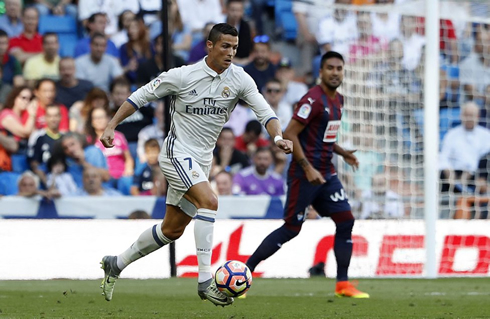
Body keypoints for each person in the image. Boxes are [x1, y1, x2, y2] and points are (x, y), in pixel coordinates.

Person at [98, 23, 292, 306]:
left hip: (201, 161)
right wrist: (111, 126)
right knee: (210, 201)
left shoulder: (240, 79)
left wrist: (277, 138)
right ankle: (205, 282)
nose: (230, 53)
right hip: (176, 153)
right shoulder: (182, 76)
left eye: (235, 48)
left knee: (171, 230)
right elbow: (140, 96)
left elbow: (265, 112)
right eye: (225, 46)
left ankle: (116, 263)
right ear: (210, 46)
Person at [246, 51, 369, 298]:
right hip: (304, 174)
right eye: (330, 68)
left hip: (325, 172)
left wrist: (343, 153)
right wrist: (306, 167)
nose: (335, 72)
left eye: (339, 68)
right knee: (292, 228)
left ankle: (343, 284)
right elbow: (290, 133)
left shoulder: (338, 101)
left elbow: (325, 137)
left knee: (346, 220)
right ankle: (245, 273)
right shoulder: (312, 100)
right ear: (321, 72)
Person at [27, 104, 63, 186]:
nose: (53, 119)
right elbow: (34, 163)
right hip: (42, 178)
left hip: (62, 176)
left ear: (61, 117)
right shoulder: (38, 136)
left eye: (56, 116)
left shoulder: (65, 138)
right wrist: (47, 183)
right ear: (45, 118)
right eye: (50, 116)